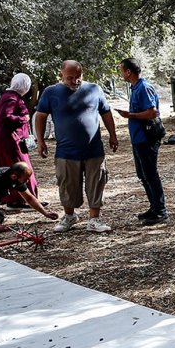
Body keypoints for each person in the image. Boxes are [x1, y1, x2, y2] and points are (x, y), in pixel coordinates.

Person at [33, 60, 117, 234]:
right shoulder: (51, 92)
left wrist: (113, 135)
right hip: (66, 151)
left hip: (93, 149)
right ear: (61, 75)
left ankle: (94, 219)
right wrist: (40, 141)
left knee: (96, 184)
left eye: (78, 77)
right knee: (67, 184)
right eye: (70, 77)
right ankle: (69, 216)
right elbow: (40, 116)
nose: (75, 81)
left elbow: (106, 113)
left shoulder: (94, 89)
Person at [113, 57, 168, 225]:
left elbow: (152, 112)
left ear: (128, 71)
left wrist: (130, 115)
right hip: (138, 138)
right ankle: (154, 207)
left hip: (147, 138)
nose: (121, 73)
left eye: (122, 70)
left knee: (151, 175)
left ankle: (160, 211)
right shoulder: (136, 88)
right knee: (143, 174)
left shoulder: (144, 88)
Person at [0, 72, 38, 206]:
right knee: (20, 168)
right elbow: (6, 117)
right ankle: (19, 199)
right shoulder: (11, 98)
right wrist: (24, 119)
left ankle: (23, 199)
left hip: (10, 139)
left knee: (16, 168)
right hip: (10, 141)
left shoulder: (10, 97)